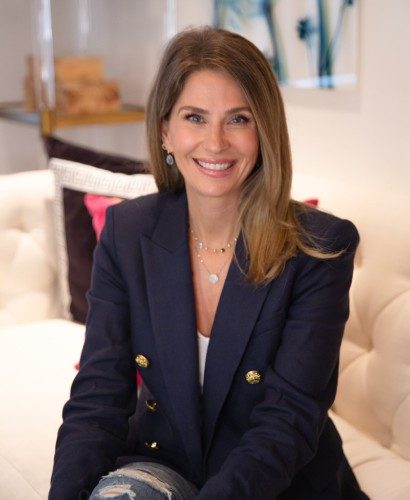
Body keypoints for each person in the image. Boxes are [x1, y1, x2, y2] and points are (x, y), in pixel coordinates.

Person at [49, 26, 368, 500]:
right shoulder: (127, 233)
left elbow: (287, 420)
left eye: (238, 119)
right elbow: (98, 396)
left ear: (264, 130)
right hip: (163, 463)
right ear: (165, 131)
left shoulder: (320, 248)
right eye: (195, 117)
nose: (215, 142)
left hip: (274, 483)